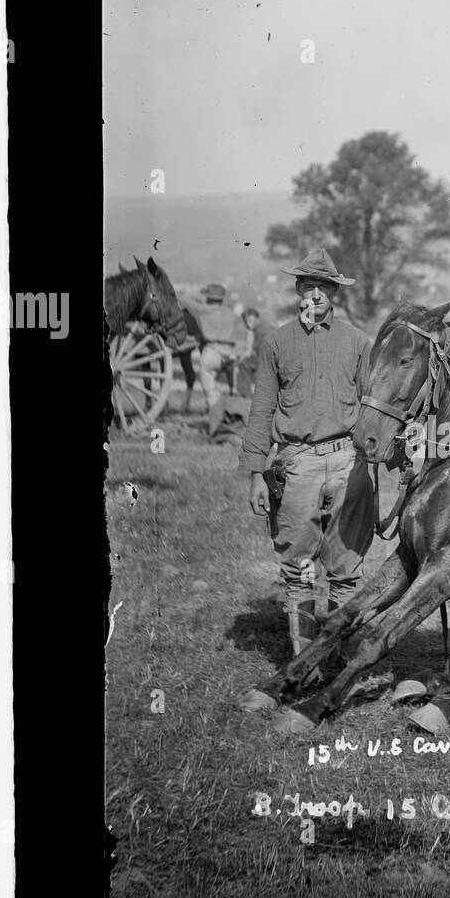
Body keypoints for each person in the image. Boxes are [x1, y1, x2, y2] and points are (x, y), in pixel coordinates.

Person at [241, 248, 374, 658]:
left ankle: (334, 660)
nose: (315, 294)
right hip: (295, 464)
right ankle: (303, 661)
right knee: (298, 568)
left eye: (323, 287)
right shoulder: (277, 342)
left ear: (335, 291)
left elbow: (373, 406)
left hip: (348, 462)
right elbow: (262, 408)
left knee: (345, 568)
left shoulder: (356, 341)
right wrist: (255, 474)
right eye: (307, 285)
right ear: (298, 289)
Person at [185, 283, 241, 411]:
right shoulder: (230, 313)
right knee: (233, 387)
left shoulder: (202, 311)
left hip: (212, 352)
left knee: (209, 385)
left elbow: (184, 302)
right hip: (230, 354)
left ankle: (215, 411)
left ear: (208, 298)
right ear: (222, 298)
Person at [235, 307, 275, 398]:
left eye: (250, 320)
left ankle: (245, 396)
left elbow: (264, 355)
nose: (248, 324)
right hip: (270, 358)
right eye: (246, 321)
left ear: (257, 319)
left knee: (244, 364)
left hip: (271, 360)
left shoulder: (262, 330)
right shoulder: (260, 328)